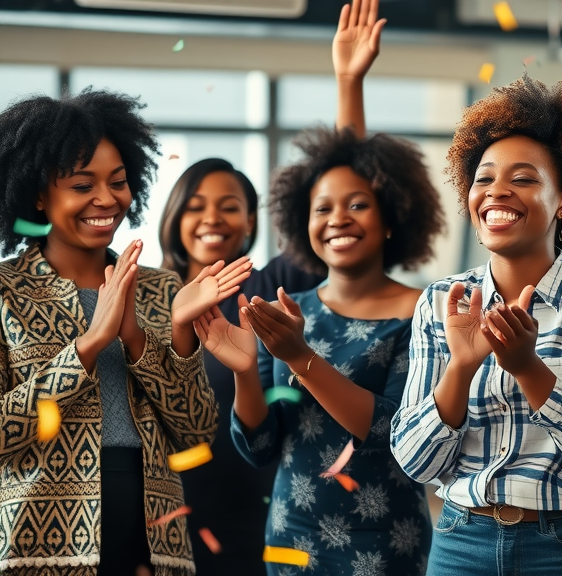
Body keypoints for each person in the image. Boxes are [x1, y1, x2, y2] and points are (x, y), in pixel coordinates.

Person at [390, 74, 562, 576]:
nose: (496, 191)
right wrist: (459, 370)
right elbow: (417, 464)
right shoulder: (443, 301)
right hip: (462, 543)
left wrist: (529, 370)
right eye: (484, 178)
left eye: (524, 178)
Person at [161, 3, 380, 571]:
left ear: (252, 223)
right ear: (175, 218)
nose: (213, 218)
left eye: (230, 206)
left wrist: (349, 82)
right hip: (167, 504)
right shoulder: (147, 292)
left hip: (262, 504)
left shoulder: (269, 289)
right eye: (198, 206)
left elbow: (346, 193)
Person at [0, 89, 248, 576]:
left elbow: (196, 430)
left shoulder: (161, 288)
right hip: (38, 547)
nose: (107, 199)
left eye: (118, 182)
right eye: (81, 185)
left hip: (156, 542)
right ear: (36, 193)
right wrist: (90, 344)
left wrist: (152, 335)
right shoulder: (6, 291)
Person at [196, 103, 445, 576]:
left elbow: (395, 433)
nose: (338, 218)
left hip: (388, 543)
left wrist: (301, 357)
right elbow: (260, 444)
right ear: (303, 223)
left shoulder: (426, 309)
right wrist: (245, 370)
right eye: (322, 208)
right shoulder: (288, 311)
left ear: (390, 218)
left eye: (358, 204)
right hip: (293, 537)